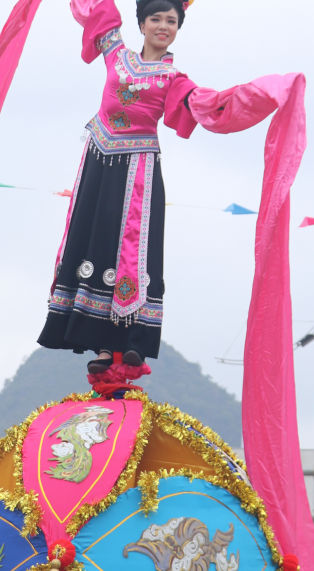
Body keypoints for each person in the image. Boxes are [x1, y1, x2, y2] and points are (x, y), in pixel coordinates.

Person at [37, 0, 213, 374]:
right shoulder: (116, 52)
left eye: (171, 21)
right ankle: (100, 344)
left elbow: (203, 104)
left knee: (135, 254)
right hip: (99, 163)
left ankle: (132, 341)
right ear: (142, 23)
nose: (163, 26)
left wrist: (250, 99)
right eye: (156, 19)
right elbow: (94, 8)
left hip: (139, 172)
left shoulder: (173, 79)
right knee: (96, 246)